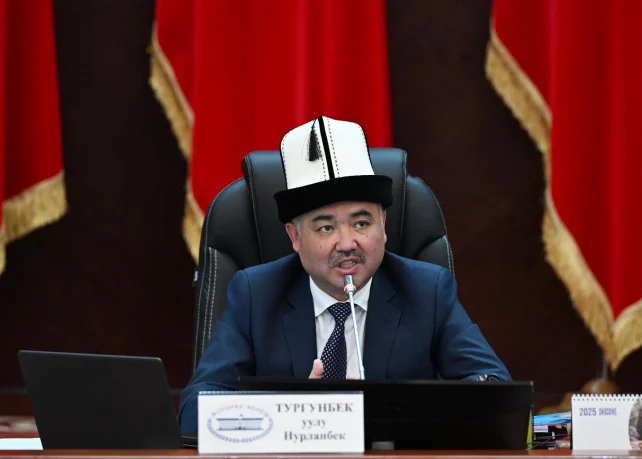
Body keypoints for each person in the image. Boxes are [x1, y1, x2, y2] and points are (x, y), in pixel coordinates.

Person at [177, 116, 510, 434]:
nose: (348, 243)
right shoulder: (255, 294)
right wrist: (296, 413)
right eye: (326, 228)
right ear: (295, 236)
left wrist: (393, 413)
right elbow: (195, 410)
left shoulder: (427, 290)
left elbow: (497, 391)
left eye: (361, 223)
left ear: (383, 226)